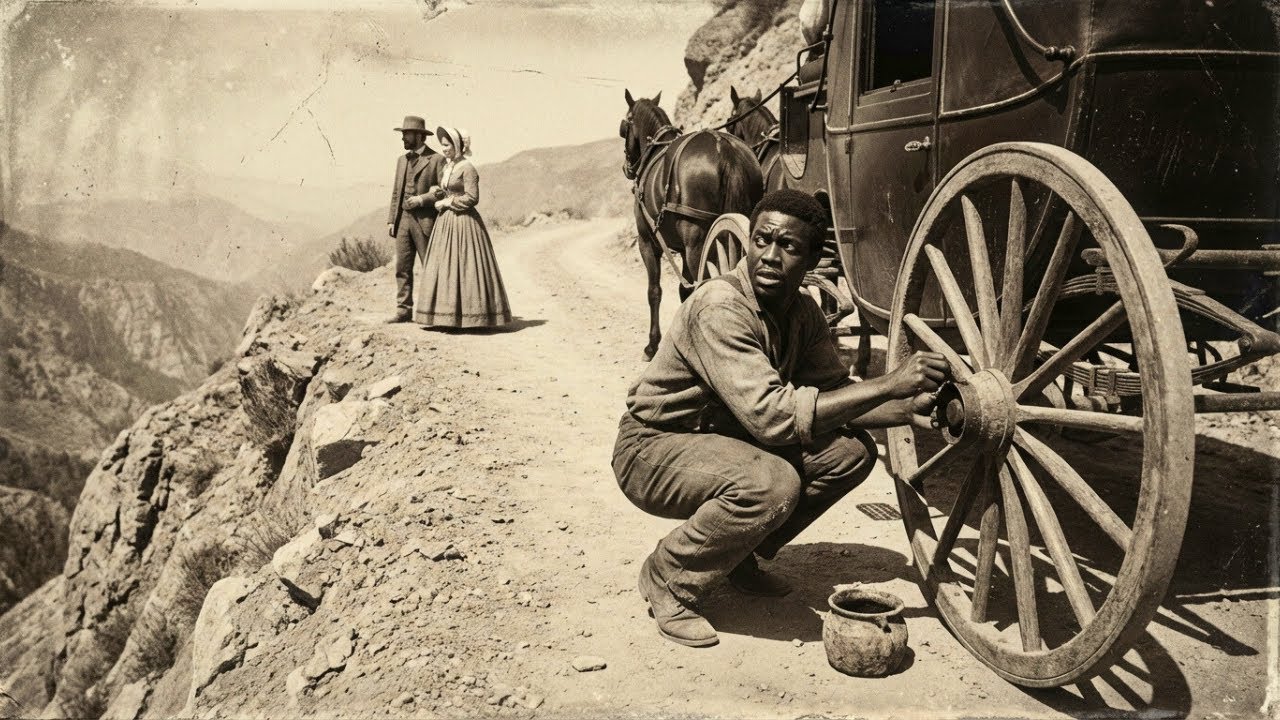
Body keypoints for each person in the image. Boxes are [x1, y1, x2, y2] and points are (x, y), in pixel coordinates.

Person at [612, 189, 950, 648]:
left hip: (724, 439)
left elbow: (837, 394)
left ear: (810, 260)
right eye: (762, 240)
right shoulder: (720, 307)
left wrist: (908, 409)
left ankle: (735, 556)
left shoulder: (802, 312)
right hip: (654, 447)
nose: (770, 256)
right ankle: (669, 575)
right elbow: (772, 419)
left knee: (850, 454)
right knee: (771, 484)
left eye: (788, 246)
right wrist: (891, 383)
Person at [414, 127, 513, 329]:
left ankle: (472, 317)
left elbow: (472, 197)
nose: (444, 149)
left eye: (447, 145)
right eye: (442, 146)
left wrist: (448, 202)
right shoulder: (448, 167)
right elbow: (448, 190)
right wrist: (439, 193)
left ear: (457, 146)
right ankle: (445, 317)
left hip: (464, 222)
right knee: (445, 266)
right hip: (445, 222)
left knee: (466, 265)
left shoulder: (468, 168)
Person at [385, 115, 447, 324]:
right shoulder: (401, 160)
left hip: (425, 221)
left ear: (420, 136)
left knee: (430, 266)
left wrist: (422, 200)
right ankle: (403, 310)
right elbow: (396, 192)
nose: (403, 138)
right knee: (402, 267)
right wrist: (392, 219)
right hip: (402, 220)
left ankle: (437, 312)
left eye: (407, 134)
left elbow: (443, 192)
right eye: (403, 134)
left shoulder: (437, 159)